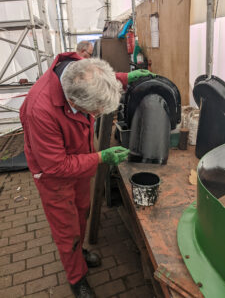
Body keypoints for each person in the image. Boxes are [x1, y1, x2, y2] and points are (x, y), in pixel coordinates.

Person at [20, 51, 153, 298]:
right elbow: (56, 167)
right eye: (96, 110)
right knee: (66, 228)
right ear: (74, 100)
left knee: (82, 210)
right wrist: (101, 157)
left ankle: (78, 253)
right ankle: (76, 278)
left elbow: (98, 77)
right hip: (53, 177)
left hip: (78, 160)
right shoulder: (40, 111)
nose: (97, 114)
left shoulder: (80, 69)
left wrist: (123, 78)